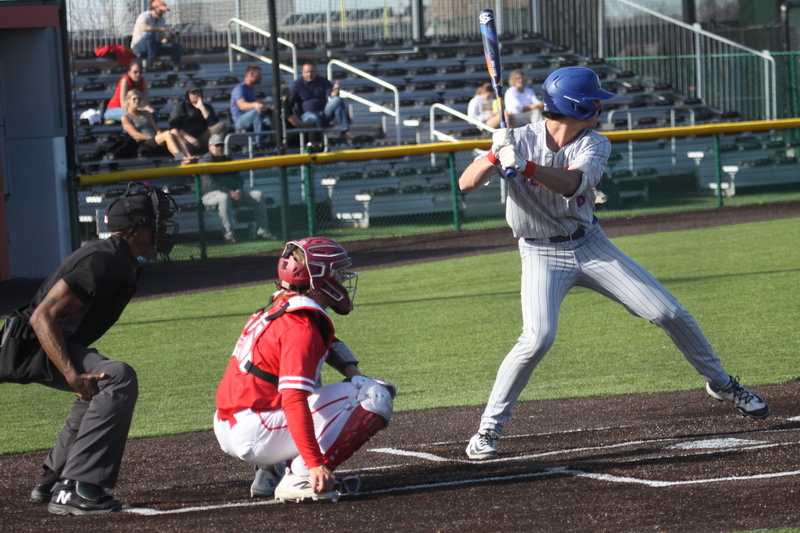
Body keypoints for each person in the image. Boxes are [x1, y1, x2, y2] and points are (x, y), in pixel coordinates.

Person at [458, 66, 770, 461]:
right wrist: (493, 153)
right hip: (540, 253)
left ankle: (722, 383)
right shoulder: (515, 138)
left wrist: (525, 166)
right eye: (594, 102)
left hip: (590, 245)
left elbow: (572, 183)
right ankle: (488, 429)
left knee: (668, 312)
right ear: (577, 105)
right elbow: (466, 184)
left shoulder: (595, 143)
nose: (600, 108)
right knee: (537, 338)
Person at [0, 183, 177, 515]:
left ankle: (53, 479)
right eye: (156, 223)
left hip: (36, 342)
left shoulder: (118, 258)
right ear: (137, 229)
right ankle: (76, 487)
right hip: (26, 345)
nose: (162, 230)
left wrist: (78, 375)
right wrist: (70, 372)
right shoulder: (105, 260)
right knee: (117, 378)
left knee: (97, 382)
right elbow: (42, 317)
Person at [213, 237, 395, 502]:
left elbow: (329, 343)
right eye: (338, 273)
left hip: (236, 420)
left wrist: (353, 371)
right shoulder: (301, 327)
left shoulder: (280, 305)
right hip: (256, 429)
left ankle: (271, 469)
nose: (343, 279)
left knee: (318, 383)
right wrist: (313, 463)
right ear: (321, 277)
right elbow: (294, 399)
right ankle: (299, 477)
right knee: (375, 395)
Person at [198, 134, 273, 243]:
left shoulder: (228, 159)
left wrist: (238, 189)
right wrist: (229, 192)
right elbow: (210, 184)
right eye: (217, 145)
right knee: (223, 198)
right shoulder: (204, 161)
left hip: (233, 193)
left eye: (222, 145)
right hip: (210, 195)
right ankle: (228, 235)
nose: (220, 148)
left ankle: (263, 231)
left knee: (258, 195)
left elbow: (239, 179)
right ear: (210, 146)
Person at [121, 89, 192, 162]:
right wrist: (153, 138)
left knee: (174, 131)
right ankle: (180, 158)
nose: (137, 101)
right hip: (142, 143)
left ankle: (188, 155)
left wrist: (159, 136)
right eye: (134, 99)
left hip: (155, 139)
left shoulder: (146, 113)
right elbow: (135, 135)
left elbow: (156, 129)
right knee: (167, 134)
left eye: (139, 99)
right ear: (128, 100)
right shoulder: (126, 117)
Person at [289, 61, 350, 136]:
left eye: (312, 72)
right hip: (307, 115)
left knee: (338, 100)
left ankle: (344, 130)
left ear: (316, 72)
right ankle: (319, 140)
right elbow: (290, 103)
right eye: (307, 72)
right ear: (302, 73)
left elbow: (332, 94)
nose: (310, 74)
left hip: (324, 113)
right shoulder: (296, 85)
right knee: (313, 118)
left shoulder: (323, 81)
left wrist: (335, 91)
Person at [168, 79, 224, 156]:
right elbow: (174, 126)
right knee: (175, 139)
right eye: (193, 92)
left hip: (203, 137)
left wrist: (202, 108)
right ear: (188, 94)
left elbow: (214, 124)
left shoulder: (206, 107)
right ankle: (181, 160)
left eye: (198, 92)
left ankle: (218, 155)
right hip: (186, 139)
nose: (196, 95)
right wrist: (189, 138)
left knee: (221, 126)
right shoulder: (181, 106)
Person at [131, 0, 182, 68]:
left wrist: (169, 37)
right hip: (139, 47)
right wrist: (161, 29)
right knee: (151, 35)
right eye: (161, 10)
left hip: (153, 47)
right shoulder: (144, 16)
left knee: (177, 47)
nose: (163, 13)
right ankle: (152, 60)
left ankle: (173, 66)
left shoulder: (162, 20)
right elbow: (143, 27)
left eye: (164, 11)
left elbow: (162, 41)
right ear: (154, 9)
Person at [230, 64, 273, 146]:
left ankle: (273, 142)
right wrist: (256, 105)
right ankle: (258, 143)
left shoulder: (252, 89)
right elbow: (242, 105)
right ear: (251, 74)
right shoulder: (239, 89)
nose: (261, 77)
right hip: (240, 120)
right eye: (259, 74)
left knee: (269, 121)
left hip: (250, 118)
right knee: (257, 112)